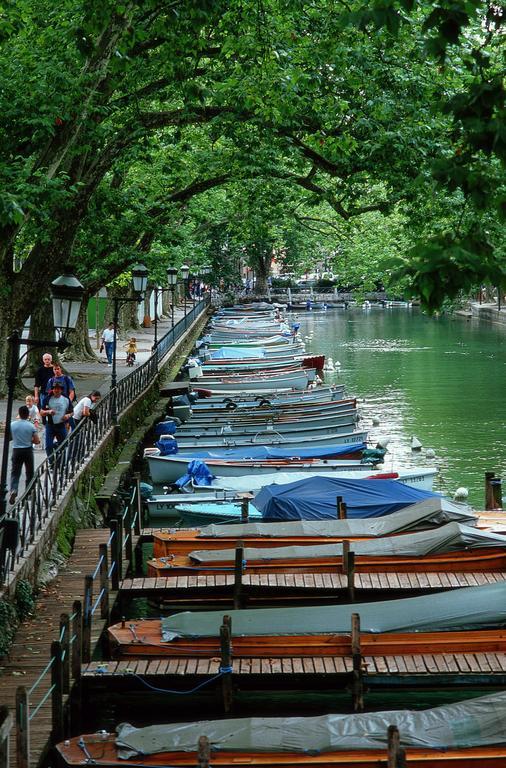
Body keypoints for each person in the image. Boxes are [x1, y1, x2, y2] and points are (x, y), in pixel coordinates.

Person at [9, 405, 40, 504]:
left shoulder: (12, 425)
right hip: (27, 451)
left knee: (15, 472)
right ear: (27, 415)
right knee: (29, 472)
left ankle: (14, 490)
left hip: (16, 450)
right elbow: (37, 441)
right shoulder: (31, 426)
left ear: (19, 414)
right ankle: (29, 493)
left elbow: (9, 438)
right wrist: (29, 439)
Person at [40, 382, 71, 457]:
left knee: (63, 445)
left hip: (61, 425)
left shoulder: (66, 399)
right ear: (52, 389)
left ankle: (62, 464)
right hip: (50, 425)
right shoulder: (47, 399)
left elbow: (72, 411)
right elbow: (41, 412)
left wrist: (68, 415)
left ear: (61, 390)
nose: (56, 390)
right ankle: (51, 463)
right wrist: (48, 411)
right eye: (54, 389)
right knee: (48, 446)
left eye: (58, 389)